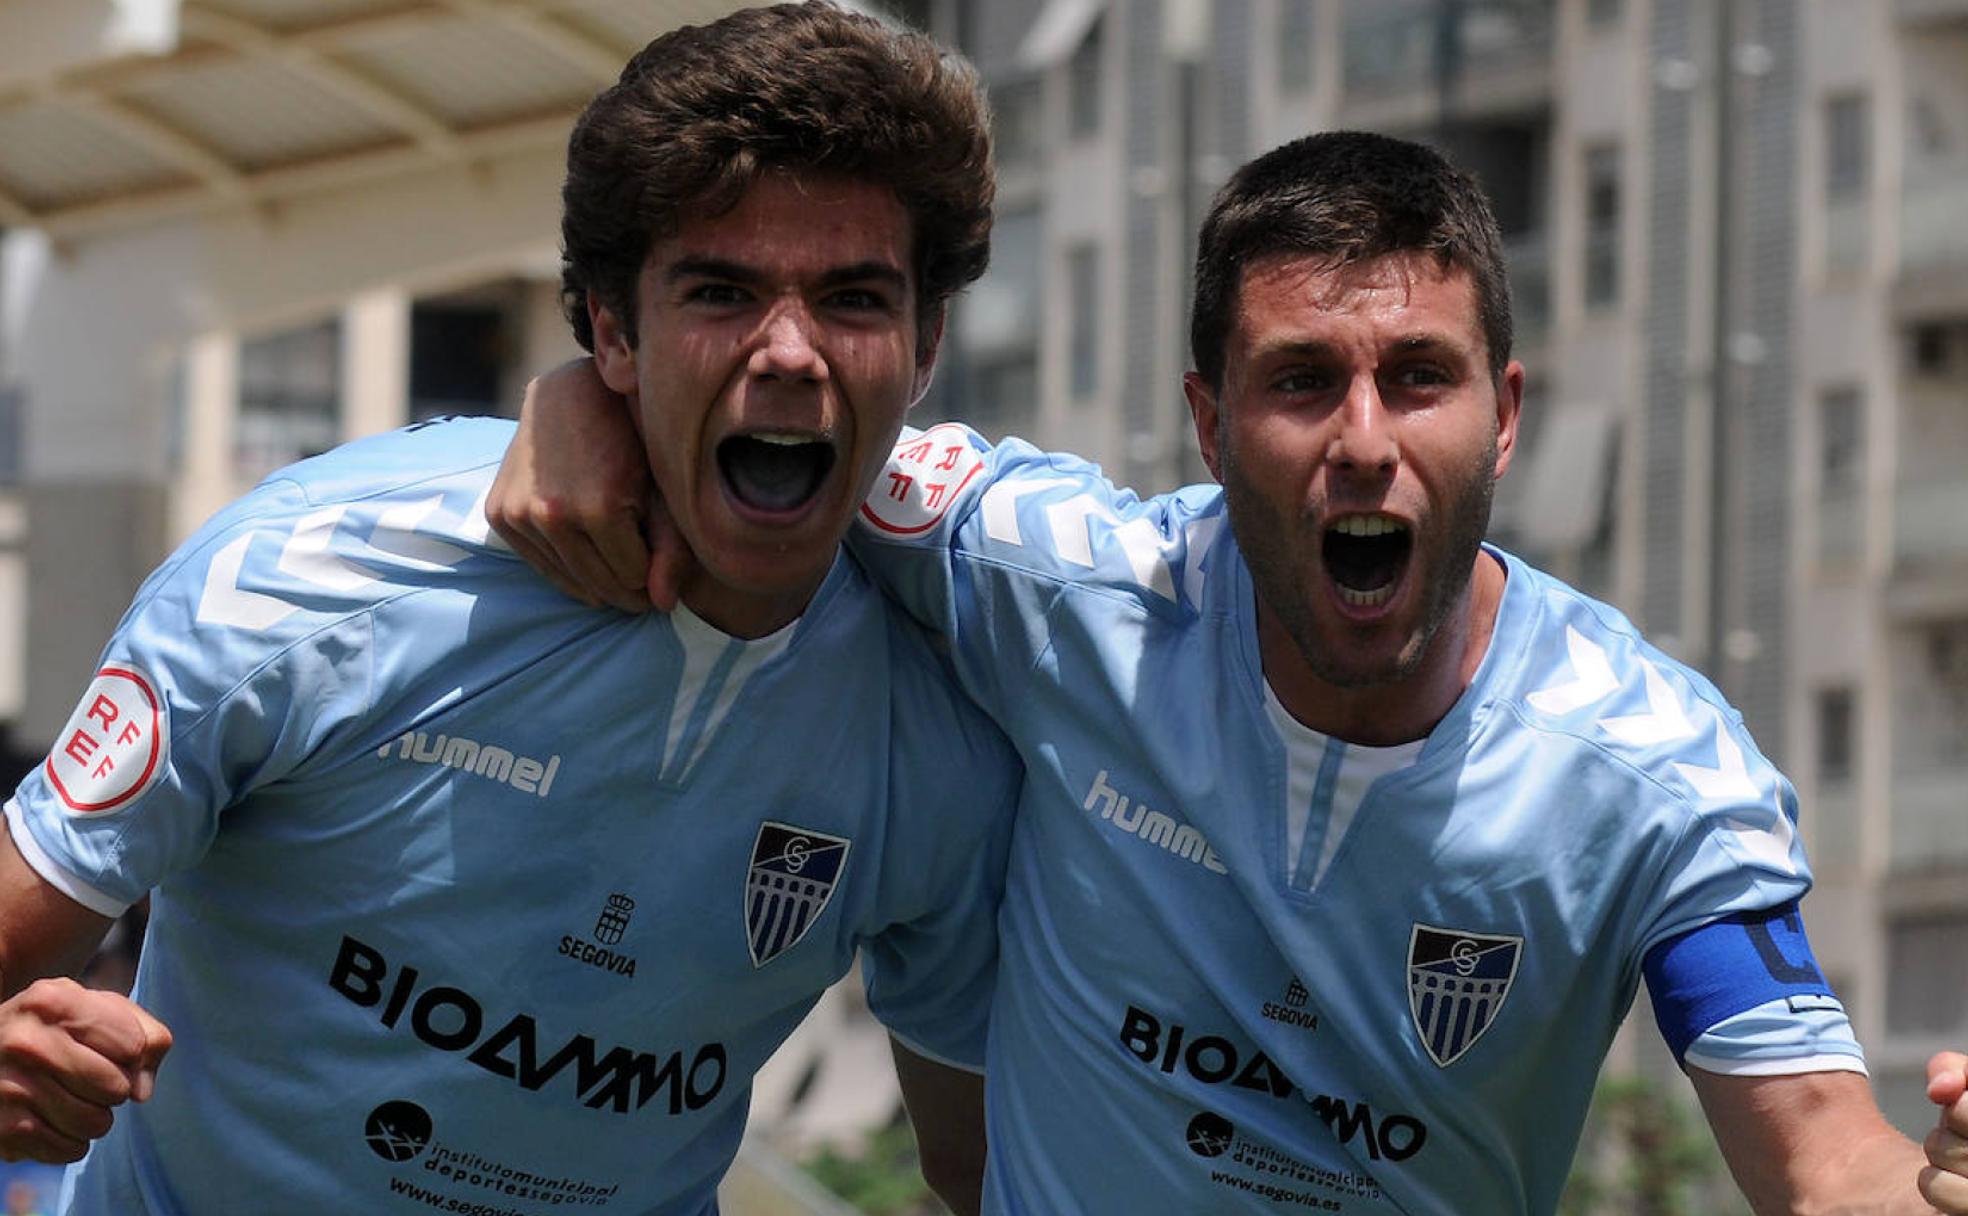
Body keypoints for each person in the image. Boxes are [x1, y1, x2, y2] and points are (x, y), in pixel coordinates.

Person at [491, 130, 1968, 1212]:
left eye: (1422, 377)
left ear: (1505, 418)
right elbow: (793, 434)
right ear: (1208, 423)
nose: (1366, 440)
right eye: (1302, 381)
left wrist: (1934, 1190)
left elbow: (1821, 1153)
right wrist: (585, 404)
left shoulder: (1649, 770)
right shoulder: (1056, 582)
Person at [0, 5, 1019, 1213]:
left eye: (853, 299)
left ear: (926, 343)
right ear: (608, 331)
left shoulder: (945, 727)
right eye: (719, 292)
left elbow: (985, 1176)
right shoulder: (309, 583)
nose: (790, 352)